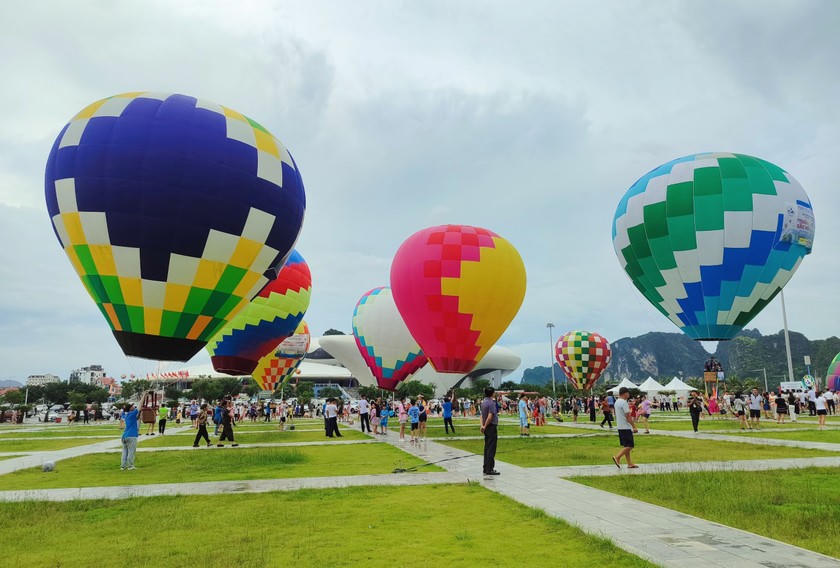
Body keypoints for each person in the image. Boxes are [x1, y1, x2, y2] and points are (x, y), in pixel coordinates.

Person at [612, 387, 638, 469]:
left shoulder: (617, 402)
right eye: (628, 393)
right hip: (625, 427)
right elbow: (628, 416)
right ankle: (617, 457)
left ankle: (629, 463)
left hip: (620, 426)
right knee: (630, 446)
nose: (629, 395)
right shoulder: (623, 402)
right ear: (624, 393)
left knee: (626, 446)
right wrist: (634, 426)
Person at [479, 387, 500, 476]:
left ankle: (485, 467)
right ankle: (489, 468)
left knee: (486, 447)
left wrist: (482, 425)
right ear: (492, 393)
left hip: (486, 427)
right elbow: (490, 416)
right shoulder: (491, 403)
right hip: (491, 426)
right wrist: (486, 425)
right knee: (491, 448)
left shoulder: (483, 402)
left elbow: (481, 415)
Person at [120, 403, 140, 470]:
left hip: (124, 436)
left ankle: (123, 466)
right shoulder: (132, 414)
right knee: (131, 451)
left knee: (124, 452)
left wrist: (124, 408)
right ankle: (130, 466)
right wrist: (144, 395)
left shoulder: (125, 415)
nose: (133, 406)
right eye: (132, 406)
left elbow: (136, 417)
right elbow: (140, 405)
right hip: (131, 435)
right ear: (130, 408)